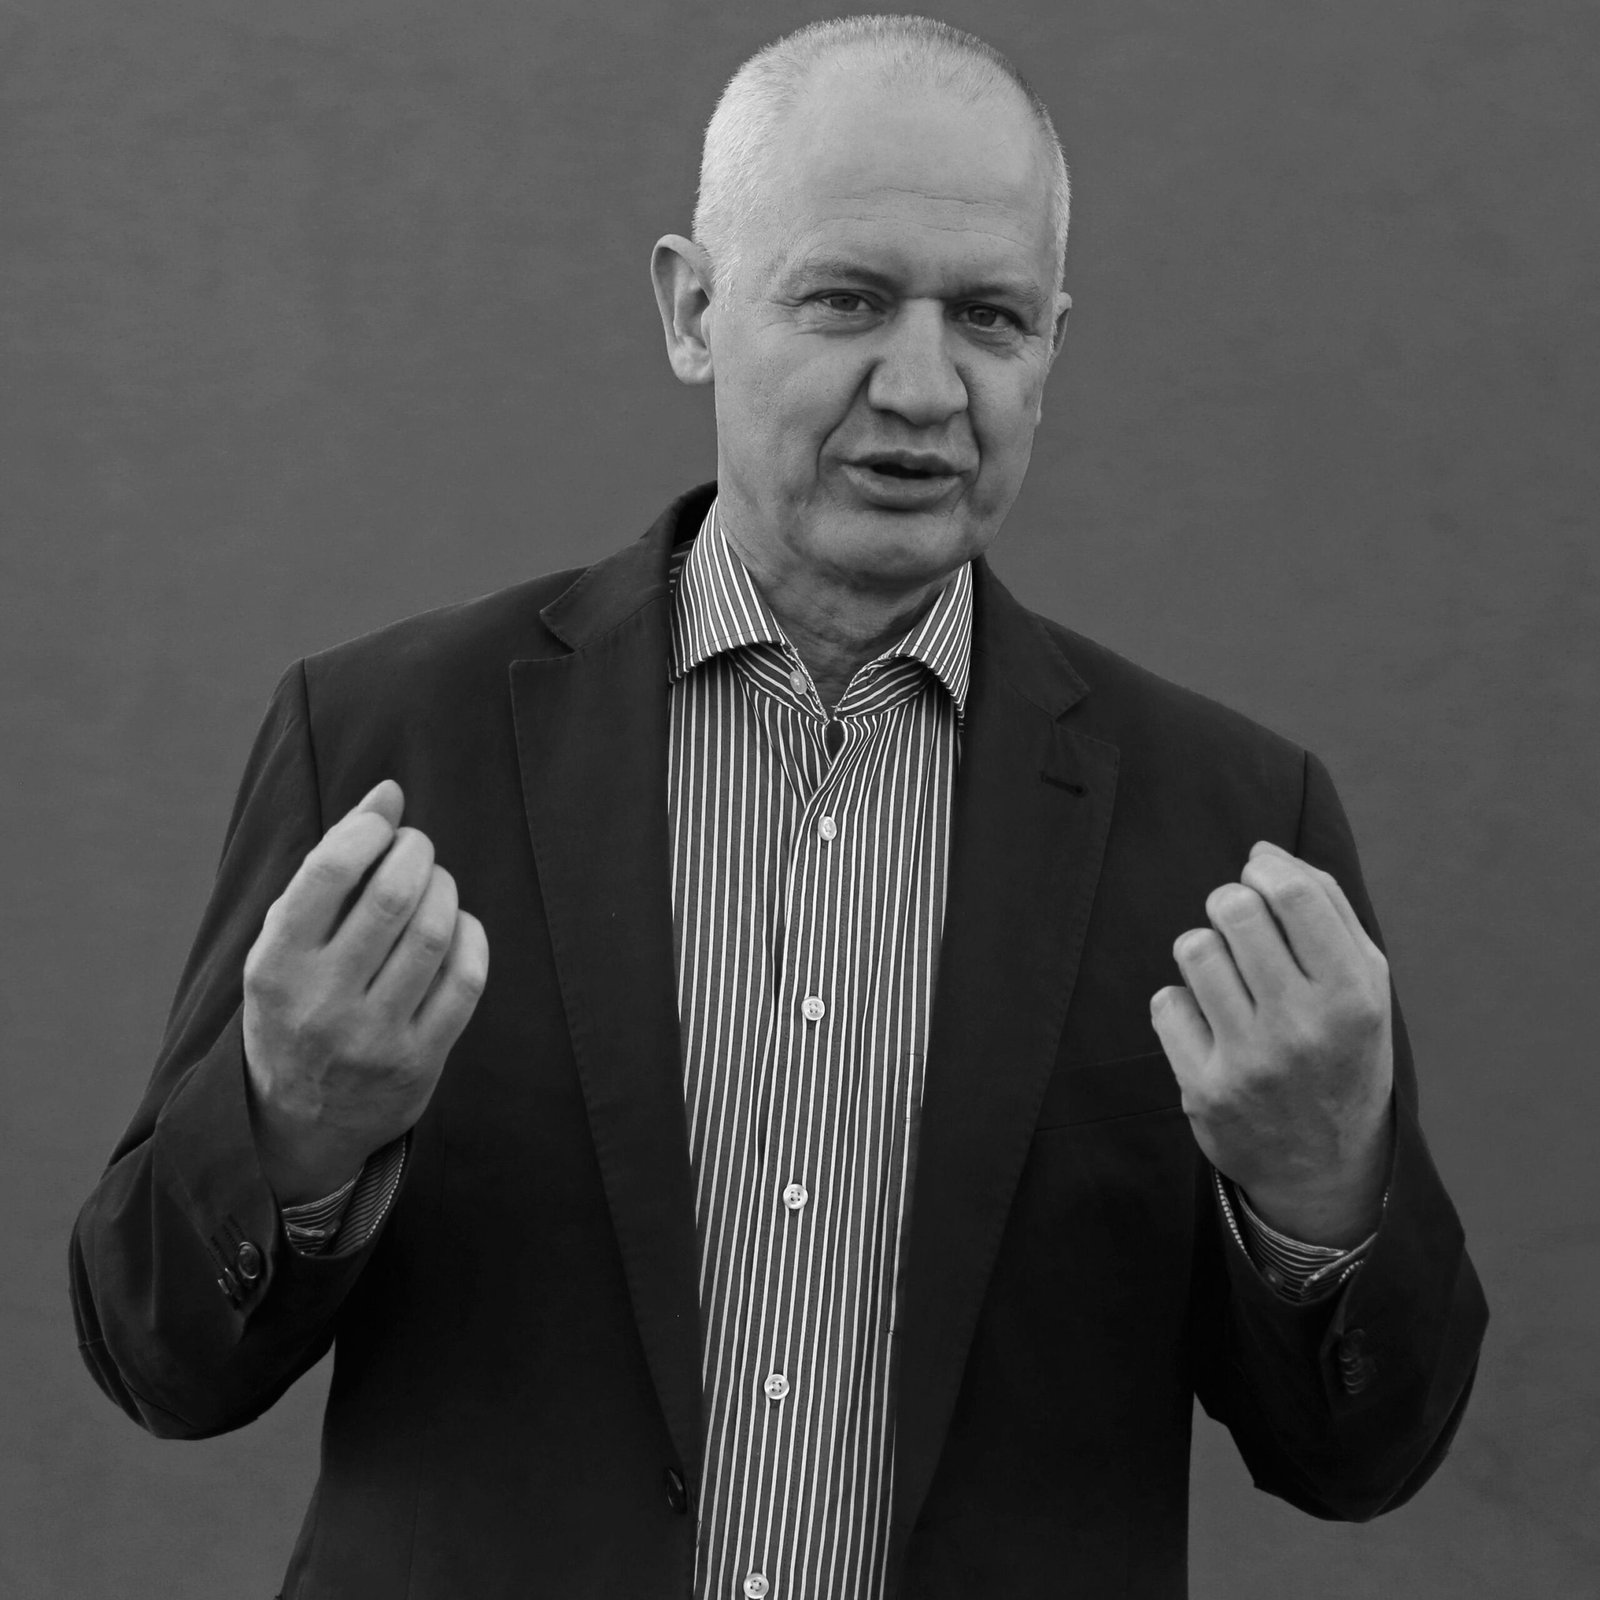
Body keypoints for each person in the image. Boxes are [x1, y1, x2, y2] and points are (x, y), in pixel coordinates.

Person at [70, 16, 1487, 1599]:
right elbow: (155, 1356)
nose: (925, 382)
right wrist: (292, 1134)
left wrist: (1320, 1198)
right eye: (850, 299)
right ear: (691, 307)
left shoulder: (1233, 829)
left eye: (994, 318)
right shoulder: (390, 747)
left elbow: (1366, 1456)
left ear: (1054, 346)